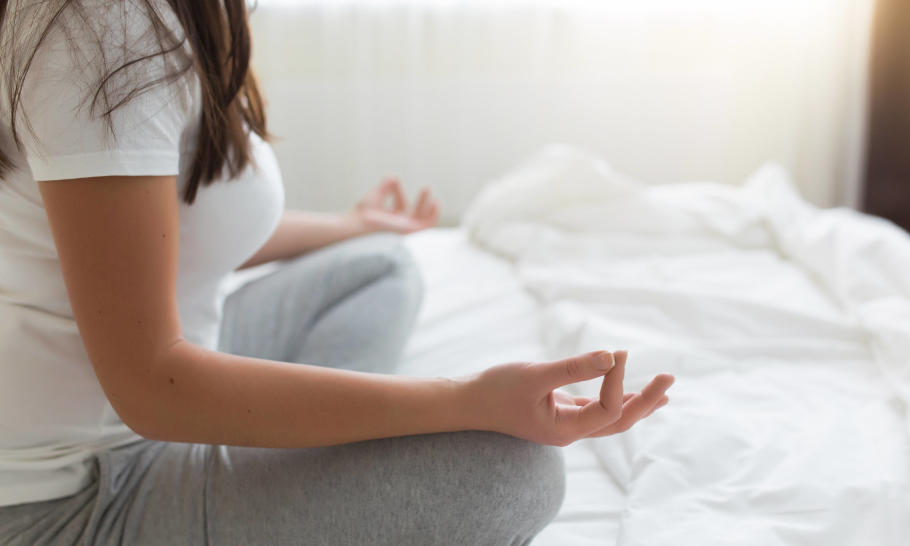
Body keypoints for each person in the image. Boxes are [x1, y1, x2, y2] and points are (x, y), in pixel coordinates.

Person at [0, 1, 674, 544]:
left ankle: (280, 452)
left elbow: (156, 238)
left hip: (149, 381)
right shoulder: (101, 24)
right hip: (73, 497)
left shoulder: (178, 14)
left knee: (377, 265)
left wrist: (353, 226)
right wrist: (463, 399)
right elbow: (151, 390)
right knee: (514, 472)